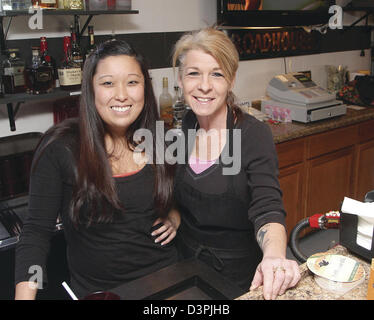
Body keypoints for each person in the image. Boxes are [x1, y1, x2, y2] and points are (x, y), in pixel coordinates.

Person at [15, 39, 179, 299]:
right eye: (108, 83)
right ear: (90, 90)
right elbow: (36, 233)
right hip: (100, 294)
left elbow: (185, 198)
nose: (122, 94)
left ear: (145, 88)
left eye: (132, 82)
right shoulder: (62, 147)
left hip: (167, 283)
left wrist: (174, 216)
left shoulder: (163, 140)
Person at [172, 27, 300, 300]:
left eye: (217, 74)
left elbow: (268, 206)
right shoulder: (187, 125)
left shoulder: (253, 134)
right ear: (180, 80)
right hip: (186, 267)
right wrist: (171, 212)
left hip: (238, 277)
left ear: (230, 80)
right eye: (193, 73)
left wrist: (275, 255)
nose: (204, 86)